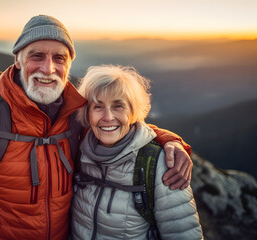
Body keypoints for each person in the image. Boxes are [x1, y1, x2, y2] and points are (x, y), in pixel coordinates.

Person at [0, 15, 193, 239]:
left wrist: (171, 142)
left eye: (59, 58)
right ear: (17, 60)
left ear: (69, 65)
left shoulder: (76, 116)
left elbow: (119, 126)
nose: (48, 68)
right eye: (36, 56)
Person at [70, 65, 203, 240]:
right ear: (87, 113)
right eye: (98, 107)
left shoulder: (160, 164)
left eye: (118, 106)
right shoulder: (79, 150)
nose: (108, 117)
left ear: (133, 112)